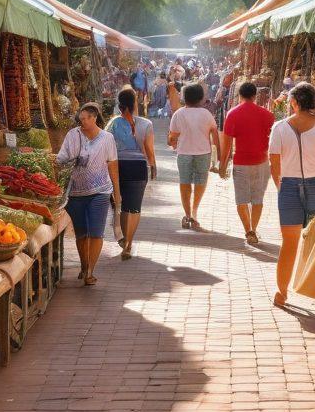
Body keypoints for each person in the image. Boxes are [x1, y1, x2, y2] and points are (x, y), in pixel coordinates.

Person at [268, 81, 315, 308]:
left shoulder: (279, 127)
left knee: (289, 243)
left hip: (288, 186)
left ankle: (282, 293)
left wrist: (281, 188)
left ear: (294, 102)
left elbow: (274, 163)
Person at [56, 103, 120, 286]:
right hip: (75, 192)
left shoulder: (107, 138)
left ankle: (90, 271)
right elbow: (61, 158)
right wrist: (66, 160)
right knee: (81, 234)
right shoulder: (72, 135)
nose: (82, 121)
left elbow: (113, 165)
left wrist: (117, 192)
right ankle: (84, 266)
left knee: (96, 233)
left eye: (85, 118)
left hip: (100, 191)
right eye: (80, 118)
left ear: (94, 118)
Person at [218, 81, 275, 245]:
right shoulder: (267, 115)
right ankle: (254, 228)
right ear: (255, 96)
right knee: (257, 198)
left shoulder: (233, 114)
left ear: (240, 95)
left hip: (241, 162)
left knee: (242, 199)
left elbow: (227, 143)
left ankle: (248, 230)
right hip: (262, 162)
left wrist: (222, 166)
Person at [105, 88, 156, 260]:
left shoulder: (112, 124)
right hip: (138, 168)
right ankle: (128, 244)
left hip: (117, 168)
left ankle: (123, 237)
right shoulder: (146, 124)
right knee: (134, 207)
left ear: (119, 105)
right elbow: (149, 150)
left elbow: (106, 148)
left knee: (122, 206)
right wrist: (153, 166)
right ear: (134, 104)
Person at [168, 82, 220, 231]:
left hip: (184, 153)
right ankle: (195, 211)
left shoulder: (178, 114)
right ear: (201, 98)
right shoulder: (207, 114)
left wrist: (172, 142)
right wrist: (219, 159)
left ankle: (187, 213)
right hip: (203, 153)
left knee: (184, 184)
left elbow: (173, 137)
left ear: (185, 97)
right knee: (200, 183)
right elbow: (215, 137)